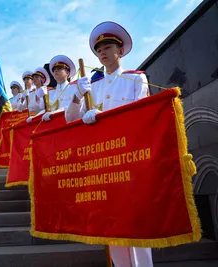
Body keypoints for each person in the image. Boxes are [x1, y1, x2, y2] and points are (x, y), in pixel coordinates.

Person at [65, 21, 152, 267]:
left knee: (136, 223)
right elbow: (71, 119)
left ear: (120, 51)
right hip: (102, 161)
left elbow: (142, 117)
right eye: (99, 49)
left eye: (108, 47)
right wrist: (77, 96)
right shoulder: (92, 85)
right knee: (110, 224)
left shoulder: (136, 79)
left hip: (129, 157)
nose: (102, 52)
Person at [42, 55, 78, 121]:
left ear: (67, 72)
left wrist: (55, 113)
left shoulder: (75, 87)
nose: (56, 71)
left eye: (59, 69)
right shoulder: (50, 94)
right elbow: (45, 110)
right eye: (54, 70)